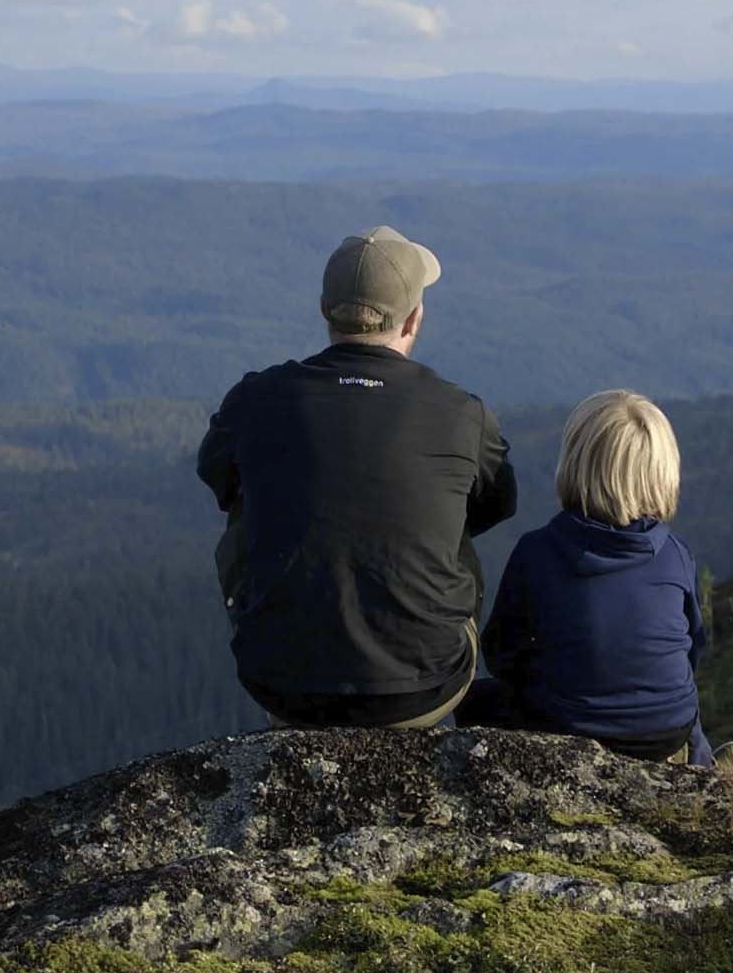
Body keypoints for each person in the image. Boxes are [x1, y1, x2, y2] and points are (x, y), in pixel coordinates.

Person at [197, 225, 517, 729]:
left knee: (250, 501)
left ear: (324, 309)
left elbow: (215, 476)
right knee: (451, 520)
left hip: (282, 687)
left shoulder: (256, 401)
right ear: (413, 319)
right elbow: (497, 503)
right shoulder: (461, 413)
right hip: (425, 689)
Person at [470, 390, 733, 768]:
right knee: (683, 703)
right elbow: (689, 648)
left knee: (475, 701)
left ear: (575, 462)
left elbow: (502, 652)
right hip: (665, 729)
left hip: (564, 726)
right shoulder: (675, 554)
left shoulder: (536, 552)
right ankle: (706, 766)